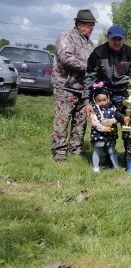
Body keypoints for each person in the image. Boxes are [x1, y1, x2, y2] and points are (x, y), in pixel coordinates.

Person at [51, 9, 96, 161]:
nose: (92, 28)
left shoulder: (90, 43)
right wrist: (88, 66)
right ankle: (60, 151)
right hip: (65, 86)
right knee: (62, 120)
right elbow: (66, 58)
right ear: (78, 24)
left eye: (93, 25)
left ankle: (76, 149)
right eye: (89, 25)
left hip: (82, 88)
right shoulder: (66, 37)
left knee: (81, 121)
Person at [83, 25, 131, 113]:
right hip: (103, 94)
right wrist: (86, 101)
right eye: (114, 39)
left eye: (120, 39)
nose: (117, 42)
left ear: (124, 38)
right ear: (108, 38)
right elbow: (90, 77)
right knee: (105, 125)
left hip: (123, 93)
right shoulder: (98, 53)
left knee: (127, 123)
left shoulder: (130, 53)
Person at [89, 83, 125, 172]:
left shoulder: (113, 108)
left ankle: (116, 166)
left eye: (104, 100)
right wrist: (103, 128)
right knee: (97, 150)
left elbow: (117, 117)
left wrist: (112, 121)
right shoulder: (94, 110)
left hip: (110, 134)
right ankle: (96, 167)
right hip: (98, 134)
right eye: (99, 100)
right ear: (95, 100)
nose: (102, 102)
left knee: (112, 150)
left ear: (108, 98)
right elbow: (94, 122)